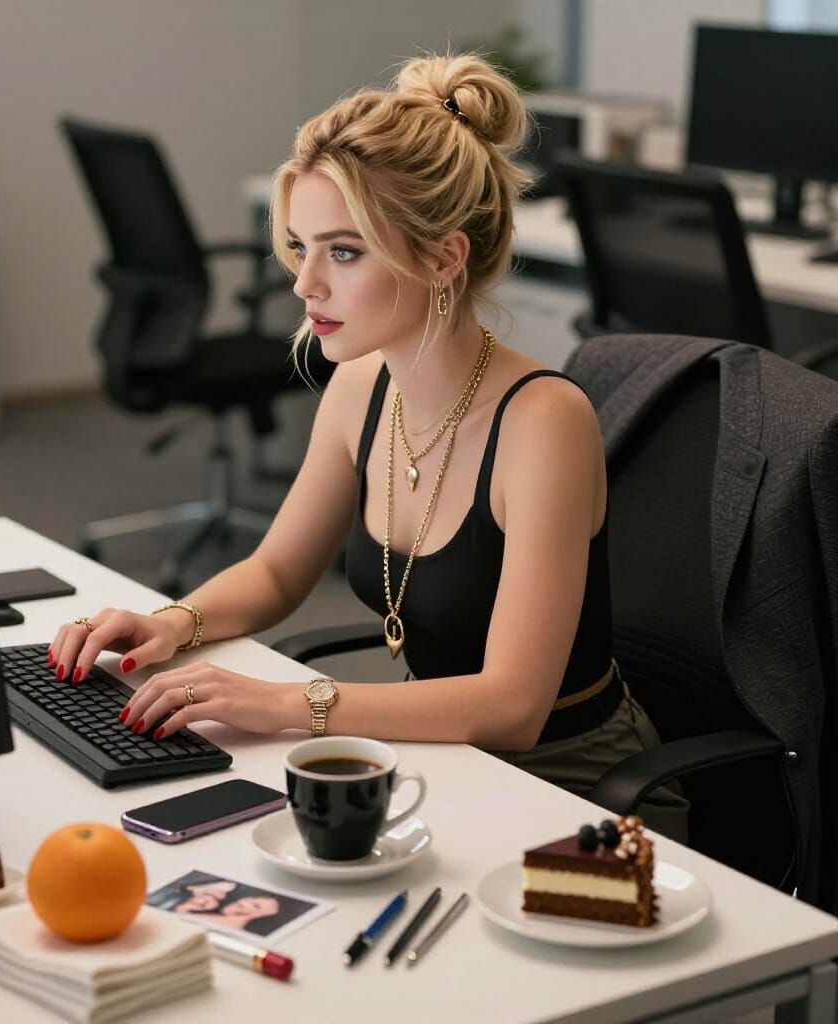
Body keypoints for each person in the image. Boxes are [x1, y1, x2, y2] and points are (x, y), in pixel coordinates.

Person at [48, 53, 688, 840]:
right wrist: (174, 623)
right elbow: (277, 571)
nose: (303, 284)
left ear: (443, 258)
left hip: (578, 796)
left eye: (342, 252)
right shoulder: (361, 384)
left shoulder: (543, 421)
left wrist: (291, 705)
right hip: (442, 764)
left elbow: (513, 709)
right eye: (300, 246)